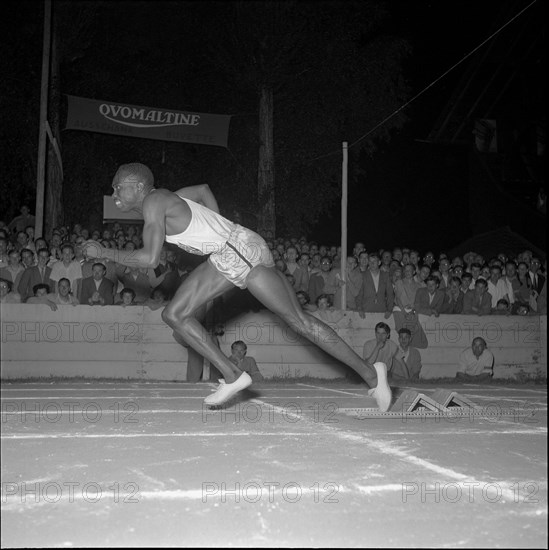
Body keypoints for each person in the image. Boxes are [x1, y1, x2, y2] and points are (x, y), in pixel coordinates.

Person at [83, 163, 391, 410]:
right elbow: (203, 190)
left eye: (117, 186)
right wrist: (221, 229)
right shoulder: (165, 199)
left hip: (240, 251)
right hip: (228, 253)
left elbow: (150, 258)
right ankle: (233, 375)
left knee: (299, 321)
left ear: (138, 186)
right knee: (175, 315)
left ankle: (371, 373)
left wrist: (105, 253)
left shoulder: (153, 202)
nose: (114, 192)